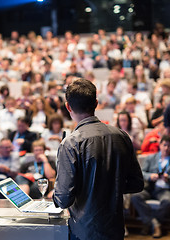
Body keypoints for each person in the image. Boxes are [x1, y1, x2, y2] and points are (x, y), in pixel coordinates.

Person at [53, 78, 144, 240]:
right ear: (96, 103)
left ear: (68, 107)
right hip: (114, 227)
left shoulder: (71, 143)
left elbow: (63, 199)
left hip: (84, 230)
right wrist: (109, 186)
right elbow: (136, 183)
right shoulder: (121, 136)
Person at [131, 135, 170, 238]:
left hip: (164, 189)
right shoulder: (151, 158)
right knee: (135, 197)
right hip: (149, 187)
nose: (166, 148)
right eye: (165, 145)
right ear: (160, 145)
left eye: (169, 146)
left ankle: (150, 223)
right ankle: (155, 224)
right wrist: (150, 176)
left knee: (167, 201)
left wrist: (168, 178)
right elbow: (141, 173)